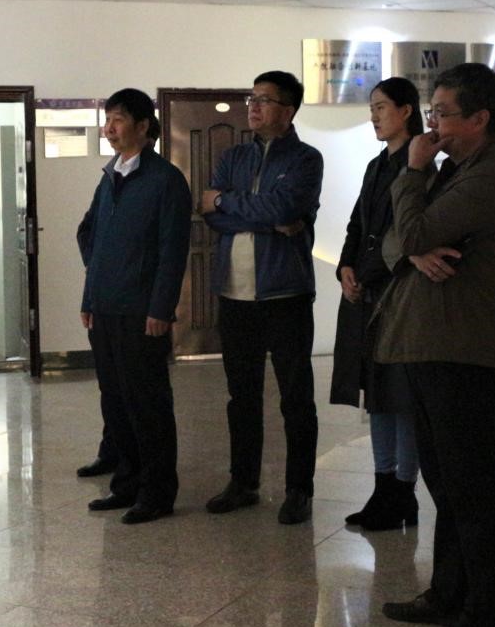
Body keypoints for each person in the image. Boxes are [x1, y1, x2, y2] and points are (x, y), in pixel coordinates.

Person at [374, 63, 495, 627]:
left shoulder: (488, 177)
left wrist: (412, 174)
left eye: (442, 114)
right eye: (431, 111)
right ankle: (447, 593)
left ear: (479, 119)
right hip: (433, 341)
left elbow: (409, 231)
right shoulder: (455, 172)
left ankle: (481, 624)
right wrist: (413, 248)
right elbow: (394, 238)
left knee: (473, 489)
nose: (431, 124)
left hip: (463, 348)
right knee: (445, 481)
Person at [200, 71, 323, 526]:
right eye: (251, 98)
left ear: (288, 110)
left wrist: (227, 203)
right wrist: (263, 218)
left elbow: (285, 207)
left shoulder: (306, 159)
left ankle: (298, 489)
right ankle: (243, 482)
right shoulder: (233, 156)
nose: (252, 107)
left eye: (264, 100)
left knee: (295, 396)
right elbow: (209, 213)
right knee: (242, 395)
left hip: (285, 292)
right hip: (234, 293)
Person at [81, 88, 191, 524]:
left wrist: (161, 309)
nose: (109, 128)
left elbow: (172, 251)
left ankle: (157, 492)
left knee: (148, 404)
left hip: (141, 311)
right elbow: (94, 240)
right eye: (107, 119)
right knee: (116, 402)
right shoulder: (110, 175)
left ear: (143, 126)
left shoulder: (165, 180)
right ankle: (125, 484)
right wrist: (89, 297)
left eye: (119, 119)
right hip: (105, 308)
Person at [329, 77, 421, 531]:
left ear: (406, 111)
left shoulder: (420, 164)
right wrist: (345, 267)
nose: (374, 116)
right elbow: (356, 224)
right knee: (377, 395)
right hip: (367, 292)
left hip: (398, 295)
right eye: (372, 108)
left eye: (381, 107)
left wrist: (368, 273)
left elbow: (405, 234)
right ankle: (383, 485)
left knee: (402, 398)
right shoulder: (375, 165)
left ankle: (404, 490)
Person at [73, 204, 116, 480]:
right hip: (100, 298)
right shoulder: (107, 184)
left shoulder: (159, 184)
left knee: (132, 393)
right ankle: (111, 452)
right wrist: (88, 300)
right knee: (109, 388)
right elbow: (85, 230)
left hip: (132, 304)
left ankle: (135, 463)